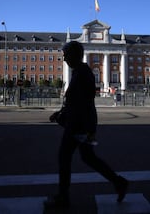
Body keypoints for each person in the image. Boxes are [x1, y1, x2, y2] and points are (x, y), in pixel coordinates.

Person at [44, 41, 128, 209]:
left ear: (75, 55)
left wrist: (65, 117)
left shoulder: (82, 72)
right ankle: (119, 182)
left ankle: (63, 198)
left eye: (67, 54)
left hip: (79, 125)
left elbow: (80, 101)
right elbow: (75, 100)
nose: (65, 58)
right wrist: (61, 114)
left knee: (64, 157)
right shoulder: (80, 72)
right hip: (83, 123)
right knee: (89, 158)